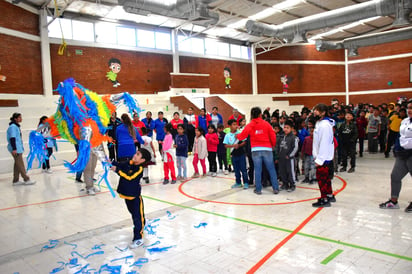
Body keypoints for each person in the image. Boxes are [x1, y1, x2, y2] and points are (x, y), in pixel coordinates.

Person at [111, 148, 152, 248]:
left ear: (142, 160)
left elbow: (129, 177)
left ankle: (138, 238)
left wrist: (118, 171)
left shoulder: (139, 169)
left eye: (138, 154)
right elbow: (121, 165)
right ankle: (141, 225)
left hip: (135, 198)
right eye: (136, 153)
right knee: (135, 215)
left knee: (137, 217)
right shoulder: (129, 162)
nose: (135, 155)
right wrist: (111, 163)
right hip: (126, 196)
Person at [236, 107, 279, 195]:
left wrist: (237, 136)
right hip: (267, 149)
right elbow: (273, 136)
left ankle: (258, 189)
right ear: (260, 114)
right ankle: (275, 188)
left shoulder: (250, 125)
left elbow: (242, 136)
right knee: (271, 169)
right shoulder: (266, 124)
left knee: (257, 169)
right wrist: (273, 145)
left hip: (255, 150)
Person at [379, 102, 412, 212]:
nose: (409, 110)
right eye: (408, 108)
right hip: (402, 154)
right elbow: (400, 136)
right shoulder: (404, 121)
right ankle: (394, 201)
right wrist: (396, 149)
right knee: (395, 176)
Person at [312, 104, 336, 208]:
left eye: (317, 111)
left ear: (323, 112)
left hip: (323, 158)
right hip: (322, 156)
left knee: (322, 179)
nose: (314, 113)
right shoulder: (319, 123)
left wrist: (319, 159)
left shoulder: (325, 125)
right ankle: (329, 194)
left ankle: (324, 198)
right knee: (326, 178)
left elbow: (324, 143)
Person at [7, 113, 36, 185]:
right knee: (20, 164)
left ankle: (15, 180)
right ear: (15, 119)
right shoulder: (13, 127)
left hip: (18, 148)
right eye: (19, 117)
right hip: (15, 149)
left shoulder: (16, 126)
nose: (21, 119)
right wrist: (14, 149)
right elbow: (12, 138)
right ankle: (26, 179)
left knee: (17, 164)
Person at [224, 119, 249, 189]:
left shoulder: (240, 133)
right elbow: (225, 145)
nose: (235, 126)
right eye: (233, 125)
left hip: (241, 154)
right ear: (229, 126)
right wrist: (233, 146)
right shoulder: (227, 135)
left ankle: (246, 182)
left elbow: (244, 142)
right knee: (236, 170)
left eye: (236, 124)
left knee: (243, 169)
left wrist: (239, 145)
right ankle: (238, 182)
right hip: (233, 155)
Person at [276, 120, 299, 192]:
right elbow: (277, 147)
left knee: (290, 171)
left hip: (289, 159)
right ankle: (285, 184)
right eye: (284, 127)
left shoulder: (293, 138)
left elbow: (295, 148)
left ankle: (292, 184)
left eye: (287, 128)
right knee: (282, 172)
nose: (285, 129)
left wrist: (290, 155)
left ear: (291, 129)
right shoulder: (280, 137)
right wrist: (277, 155)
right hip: (281, 158)